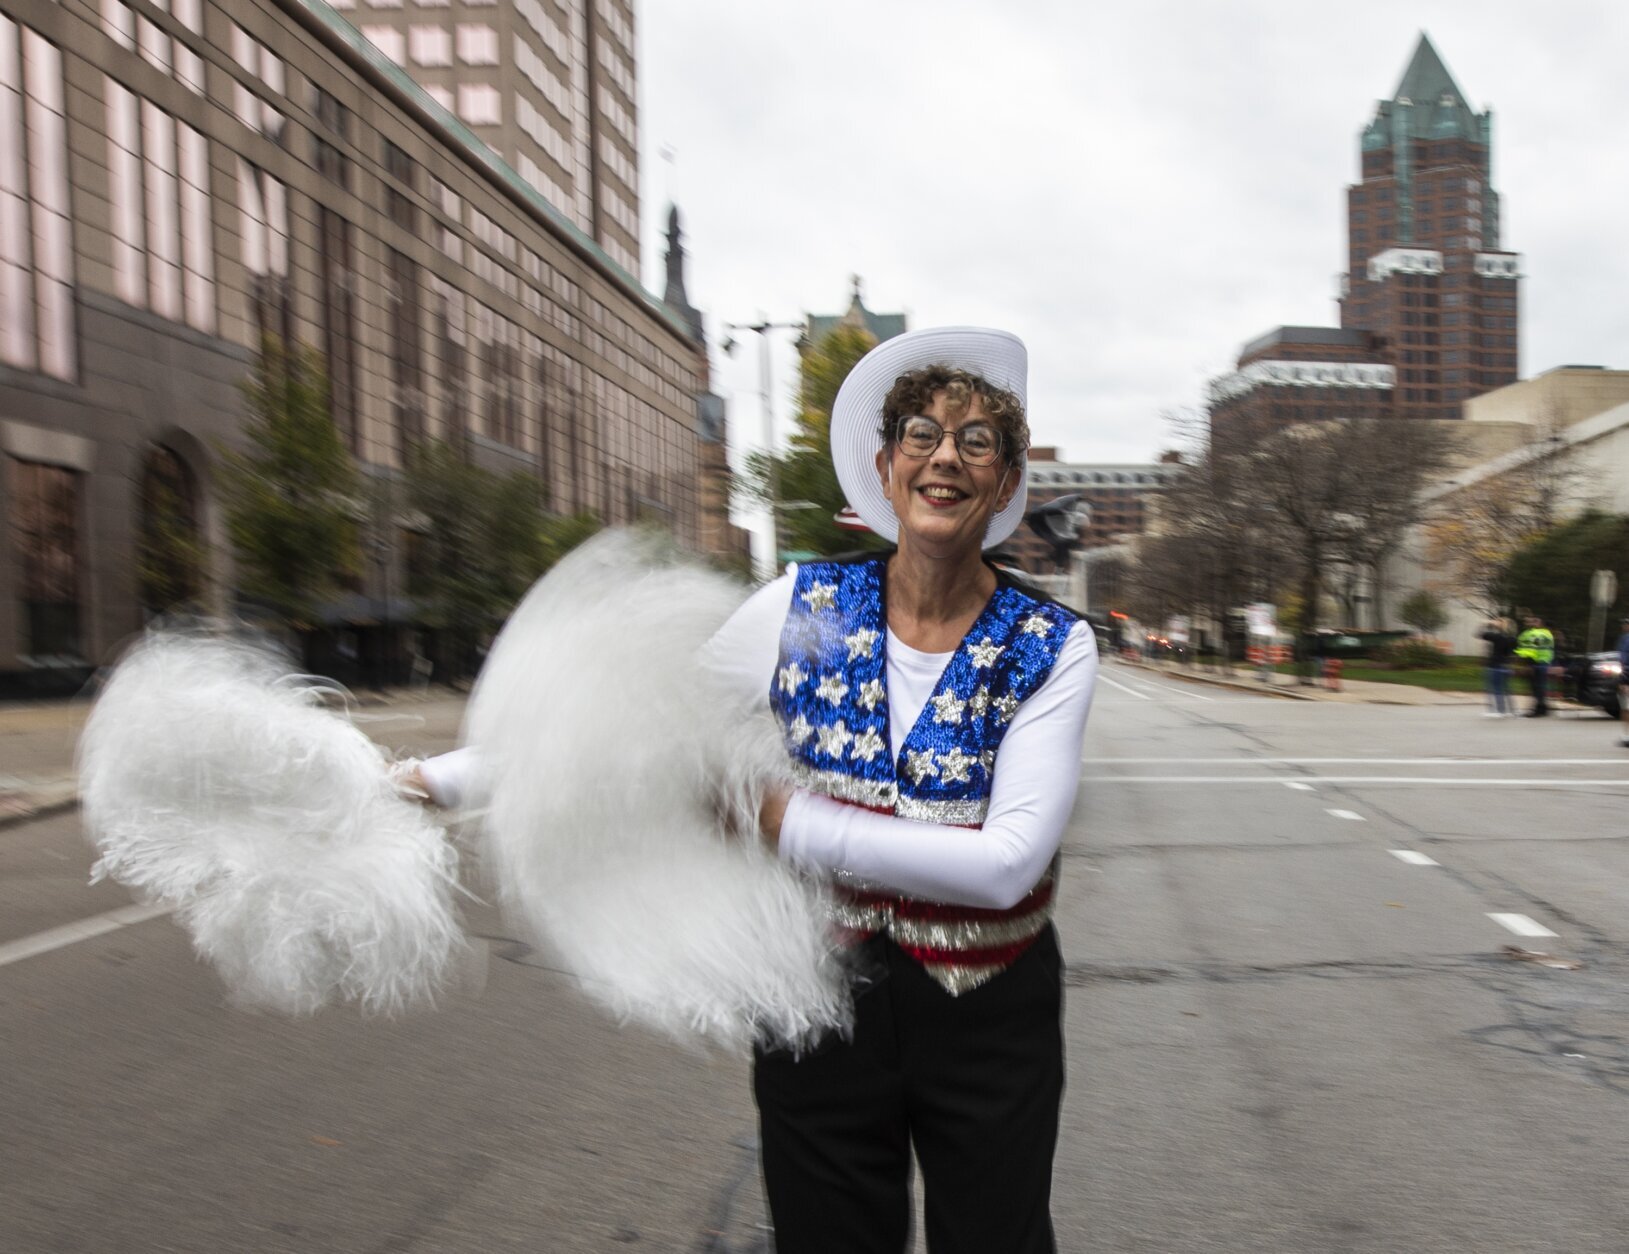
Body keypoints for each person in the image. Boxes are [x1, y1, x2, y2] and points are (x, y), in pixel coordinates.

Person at [416, 327, 1099, 1253]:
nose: (946, 456)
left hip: (986, 1013)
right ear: (885, 467)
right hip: (816, 995)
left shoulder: (1052, 644)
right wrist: (439, 781)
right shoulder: (799, 608)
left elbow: (1004, 867)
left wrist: (783, 820)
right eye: (921, 436)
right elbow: (637, 727)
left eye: (977, 440)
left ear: (1006, 481)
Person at [1515, 613, 1555, 717]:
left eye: (1535, 621)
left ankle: (1538, 710)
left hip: (1536, 663)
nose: (1532, 623)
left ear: (1541, 623)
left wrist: (1527, 665)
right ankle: (1543, 709)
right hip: (1544, 663)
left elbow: (1531, 650)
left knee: (1536, 688)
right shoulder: (1547, 634)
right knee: (1540, 687)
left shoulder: (1536, 634)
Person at [1478, 617, 1516, 717]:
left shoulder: (1497, 637)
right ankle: (1511, 710)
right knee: (1506, 689)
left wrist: (1485, 624)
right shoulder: (1511, 638)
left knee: (1495, 688)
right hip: (1506, 665)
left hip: (1495, 665)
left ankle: (1499, 711)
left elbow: (1480, 634)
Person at [1616, 617, 1629, 747]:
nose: (1624, 626)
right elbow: (1622, 659)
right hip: (1625, 674)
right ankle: (1626, 735)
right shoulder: (1624, 638)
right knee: (1625, 706)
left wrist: (1624, 681)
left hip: (1626, 675)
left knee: (1626, 707)